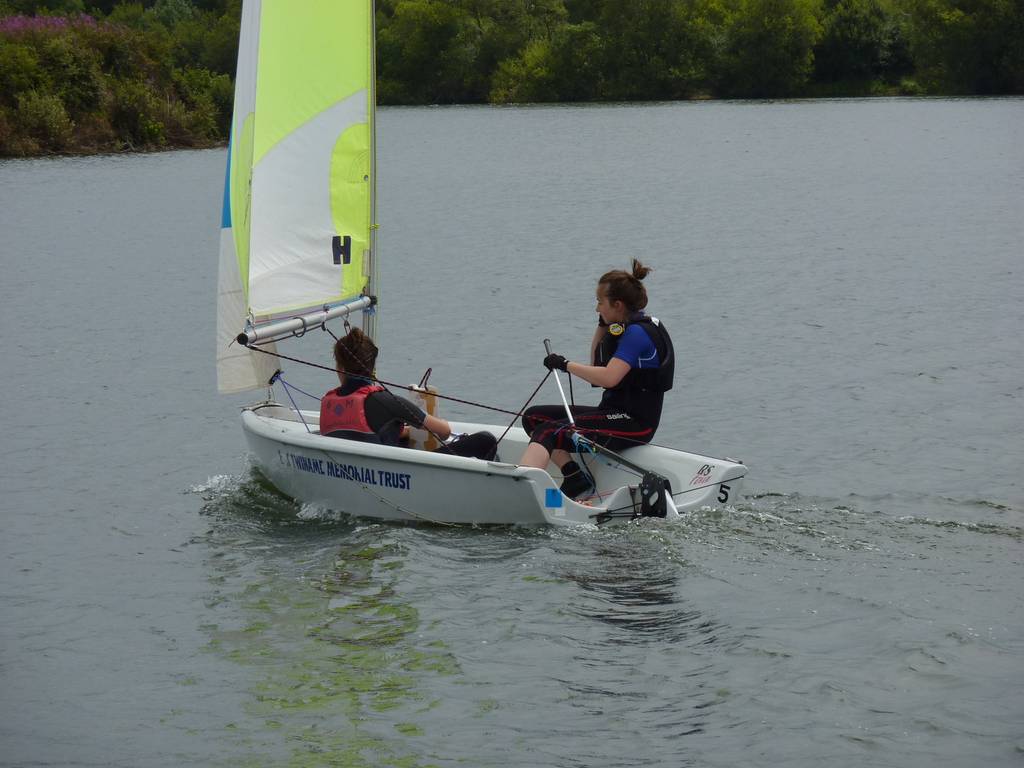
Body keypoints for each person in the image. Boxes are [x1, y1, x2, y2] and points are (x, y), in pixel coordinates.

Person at [520, 259, 674, 498]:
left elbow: (608, 378)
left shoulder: (637, 334)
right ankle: (573, 476)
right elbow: (597, 364)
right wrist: (603, 323)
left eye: (600, 303)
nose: (597, 308)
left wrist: (565, 365)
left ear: (618, 305)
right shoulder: (624, 328)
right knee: (533, 417)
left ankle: (522, 491)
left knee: (548, 431)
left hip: (635, 423)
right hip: (613, 413)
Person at [320, 327, 498, 461]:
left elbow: (359, 435)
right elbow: (444, 432)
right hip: (395, 476)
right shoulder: (386, 402)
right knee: (485, 440)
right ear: (372, 367)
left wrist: (401, 432)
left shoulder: (327, 403)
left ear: (340, 368)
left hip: (357, 471)